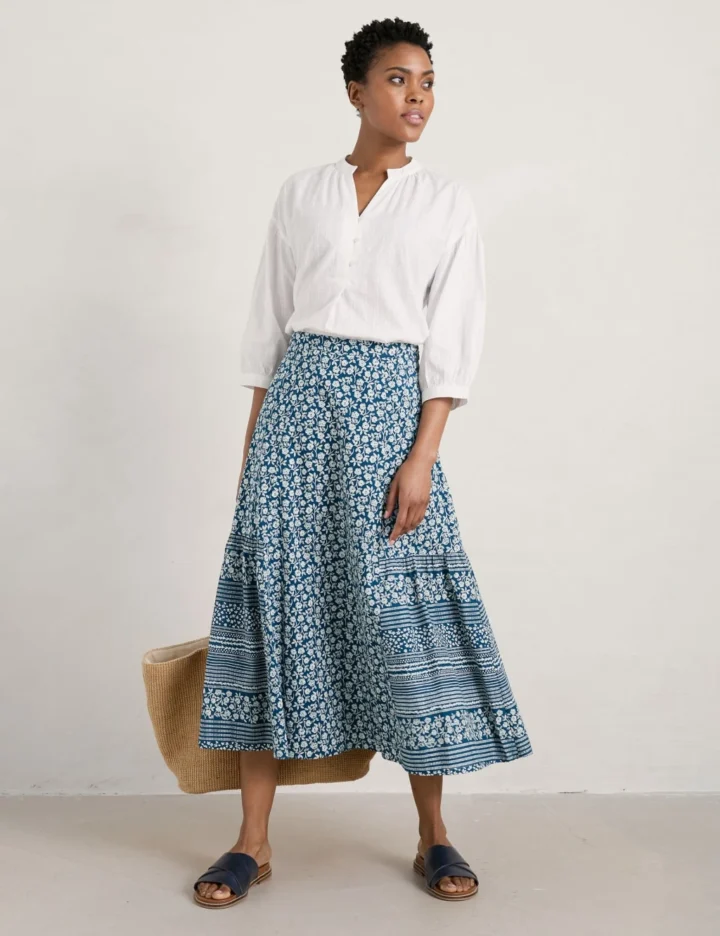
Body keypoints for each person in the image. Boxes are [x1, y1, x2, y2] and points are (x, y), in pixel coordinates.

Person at [193, 16, 533, 908]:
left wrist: (423, 455)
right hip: (295, 416)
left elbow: (452, 338)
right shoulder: (301, 193)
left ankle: (433, 833)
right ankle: (252, 843)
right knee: (274, 612)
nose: (417, 96)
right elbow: (269, 332)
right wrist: (252, 463)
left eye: (428, 81)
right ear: (355, 92)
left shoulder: (445, 202)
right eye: (397, 79)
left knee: (405, 619)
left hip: (389, 420)